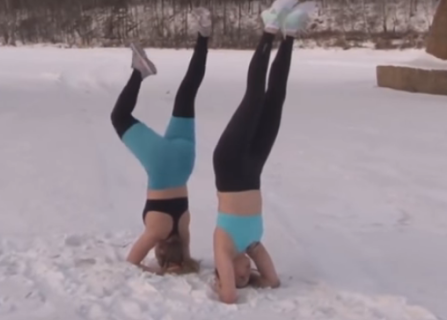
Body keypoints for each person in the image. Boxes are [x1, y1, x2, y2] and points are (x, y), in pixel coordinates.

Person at [211, 0, 316, 303]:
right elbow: (272, 281)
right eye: (247, 278)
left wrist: (225, 285)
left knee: (255, 97)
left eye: (239, 276)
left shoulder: (224, 246)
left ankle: (270, 27)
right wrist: (255, 267)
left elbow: (229, 296)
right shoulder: (252, 244)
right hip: (253, 168)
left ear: (225, 270)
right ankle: (292, 30)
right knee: (275, 100)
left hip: (229, 165)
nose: (246, 275)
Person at [110, 8, 212, 275]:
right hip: (163, 166)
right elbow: (132, 262)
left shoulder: (184, 232)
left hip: (184, 160)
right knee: (119, 117)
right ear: (161, 252)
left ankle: (204, 36)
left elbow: (185, 258)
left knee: (187, 93)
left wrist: (180, 264)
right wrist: (159, 270)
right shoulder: (156, 231)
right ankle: (139, 72)